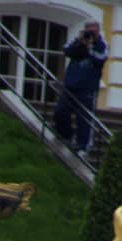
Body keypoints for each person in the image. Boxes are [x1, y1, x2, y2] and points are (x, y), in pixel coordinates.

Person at [55, 21, 108, 154]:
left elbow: (101, 58)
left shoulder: (102, 44)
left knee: (84, 118)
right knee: (60, 112)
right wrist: (80, 42)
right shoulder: (78, 40)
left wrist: (90, 47)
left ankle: (83, 147)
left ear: (98, 31)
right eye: (89, 30)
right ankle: (66, 135)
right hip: (70, 85)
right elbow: (66, 50)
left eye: (94, 31)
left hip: (87, 89)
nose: (91, 33)